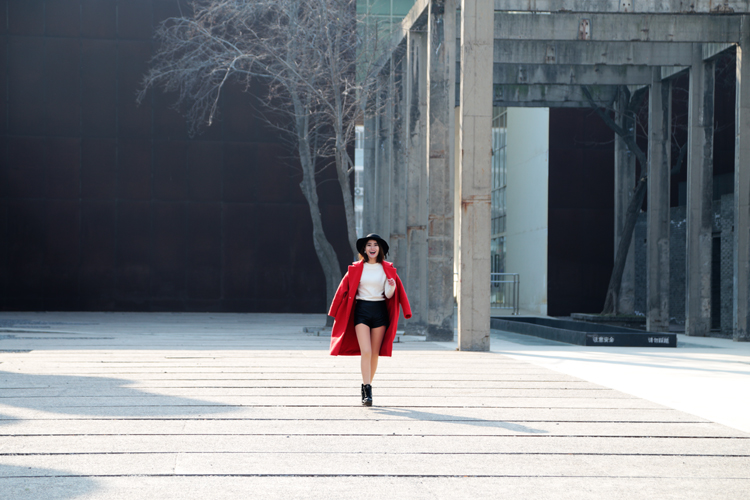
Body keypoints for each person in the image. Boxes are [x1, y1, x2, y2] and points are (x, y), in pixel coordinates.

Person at [328, 233, 411, 406]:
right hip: (362, 311)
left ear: (380, 249)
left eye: (375, 245)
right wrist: (334, 311)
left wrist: (391, 287)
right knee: (365, 351)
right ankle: (367, 389)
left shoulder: (387, 269)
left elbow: (389, 295)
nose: (372, 248)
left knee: (374, 353)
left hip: (380, 311)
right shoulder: (356, 268)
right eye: (369, 245)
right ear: (364, 249)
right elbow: (342, 289)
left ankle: (367, 386)